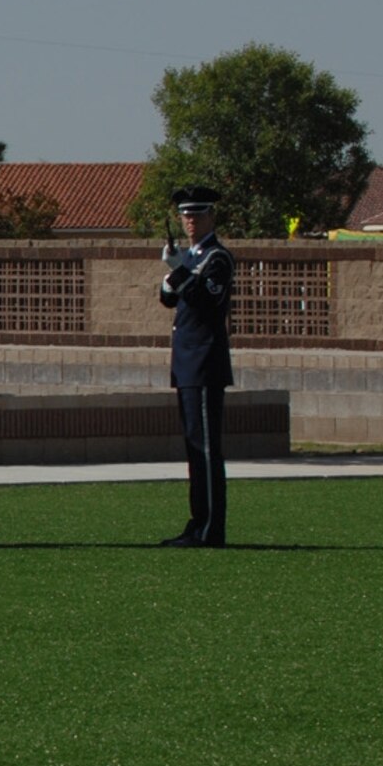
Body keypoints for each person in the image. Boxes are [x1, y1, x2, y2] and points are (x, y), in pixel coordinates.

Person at [159, 184, 234, 548]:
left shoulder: (217, 257)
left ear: (210, 216)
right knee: (193, 447)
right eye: (186, 215)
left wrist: (180, 272)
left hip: (204, 361)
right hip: (187, 362)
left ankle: (209, 528)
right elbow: (168, 300)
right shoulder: (190, 256)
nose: (191, 221)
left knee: (205, 449)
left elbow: (206, 300)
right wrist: (173, 272)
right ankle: (197, 521)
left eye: (197, 214)